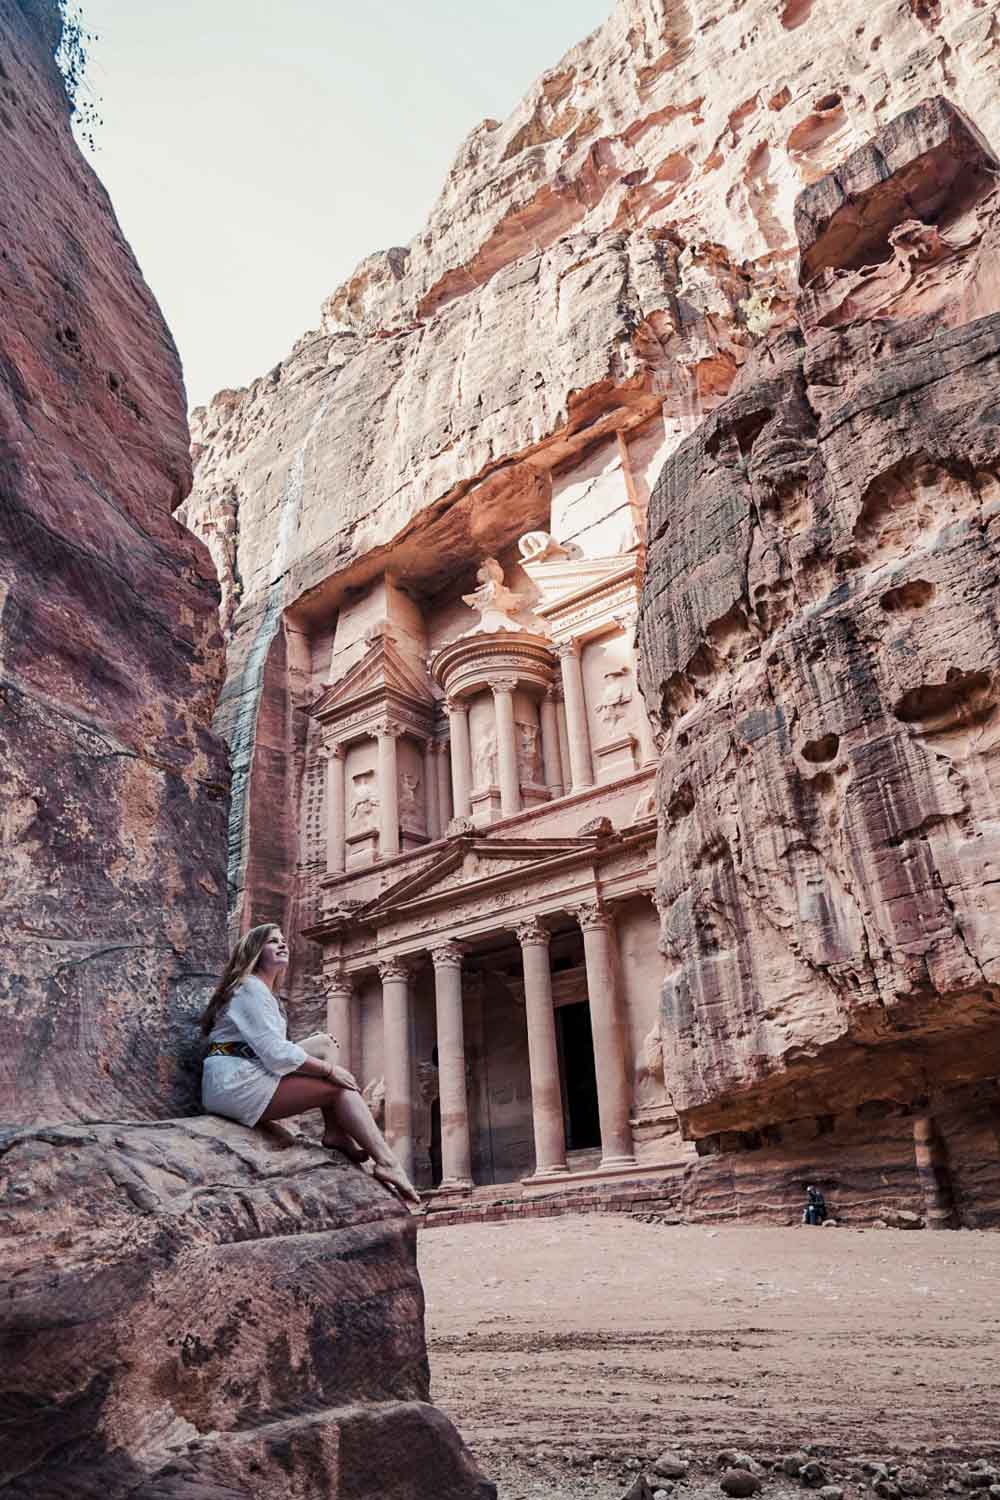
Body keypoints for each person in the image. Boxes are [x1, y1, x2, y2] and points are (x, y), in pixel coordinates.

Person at [200, 923, 420, 1205]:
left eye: (283, 940)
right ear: (254, 952)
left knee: (325, 1044)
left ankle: (336, 1131)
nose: (282, 945)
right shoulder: (249, 988)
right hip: (235, 1082)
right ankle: (387, 1162)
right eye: (271, 942)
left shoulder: (261, 991)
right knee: (339, 1087)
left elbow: (276, 1053)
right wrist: (330, 1071)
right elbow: (276, 1054)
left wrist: (325, 1064)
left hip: (244, 1069)